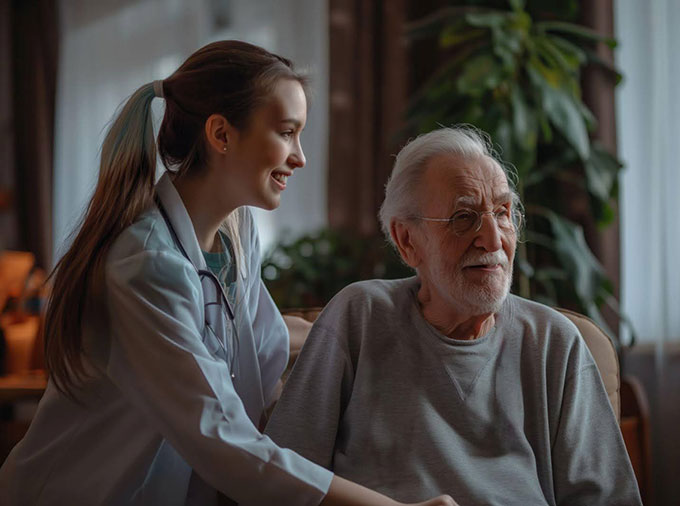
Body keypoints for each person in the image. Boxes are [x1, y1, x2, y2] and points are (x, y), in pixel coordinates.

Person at [0, 41, 457, 506]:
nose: (300, 157)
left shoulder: (235, 234)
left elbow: (265, 342)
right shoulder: (147, 267)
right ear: (221, 134)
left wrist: (393, 327)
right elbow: (223, 440)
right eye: (286, 132)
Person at [266, 126, 643, 506]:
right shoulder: (360, 316)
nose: (493, 240)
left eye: (503, 213)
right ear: (407, 241)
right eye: (464, 217)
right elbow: (283, 477)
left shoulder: (554, 343)